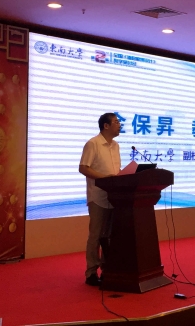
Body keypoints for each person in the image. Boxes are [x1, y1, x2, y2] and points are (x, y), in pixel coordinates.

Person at [79, 113, 122, 286]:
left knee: (109, 236)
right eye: (116, 122)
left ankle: (107, 269)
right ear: (106, 126)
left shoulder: (116, 146)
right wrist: (105, 179)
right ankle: (91, 272)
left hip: (114, 197)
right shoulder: (93, 143)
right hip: (97, 196)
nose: (119, 125)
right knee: (96, 235)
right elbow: (83, 168)